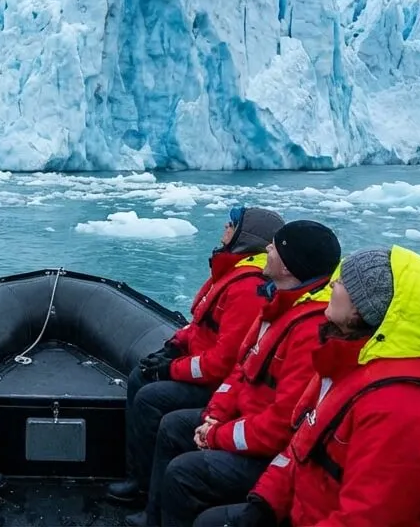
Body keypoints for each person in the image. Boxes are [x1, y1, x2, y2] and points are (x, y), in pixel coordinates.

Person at [194, 245, 420, 527]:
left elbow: (368, 518)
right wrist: (264, 502)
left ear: (364, 309)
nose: (332, 285)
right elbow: (299, 447)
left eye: (342, 283)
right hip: (301, 507)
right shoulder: (347, 365)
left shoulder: (398, 409)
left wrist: (218, 434)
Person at [144, 220, 343, 527]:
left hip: (269, 447)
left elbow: (280, 424)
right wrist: (215, 415)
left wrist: (216, 434)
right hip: (244, 420)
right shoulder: (281, 306)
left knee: (184, 472)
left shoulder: (307, 330)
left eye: (274, 248)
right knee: (173, 426)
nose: (266, 250)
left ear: (290, 266)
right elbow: (241, 371)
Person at [107, 206, 286, 507]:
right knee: (141, 377)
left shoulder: (247, 288)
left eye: (231, 225)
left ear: (246, 237)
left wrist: (170, 369)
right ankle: (139, 477)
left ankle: (147, 488)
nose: (224, 229)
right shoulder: (231, 272)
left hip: (216, 382)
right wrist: (174, 345)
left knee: (151, 398)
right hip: (208, 372)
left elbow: (223, 362)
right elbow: (201, 325)